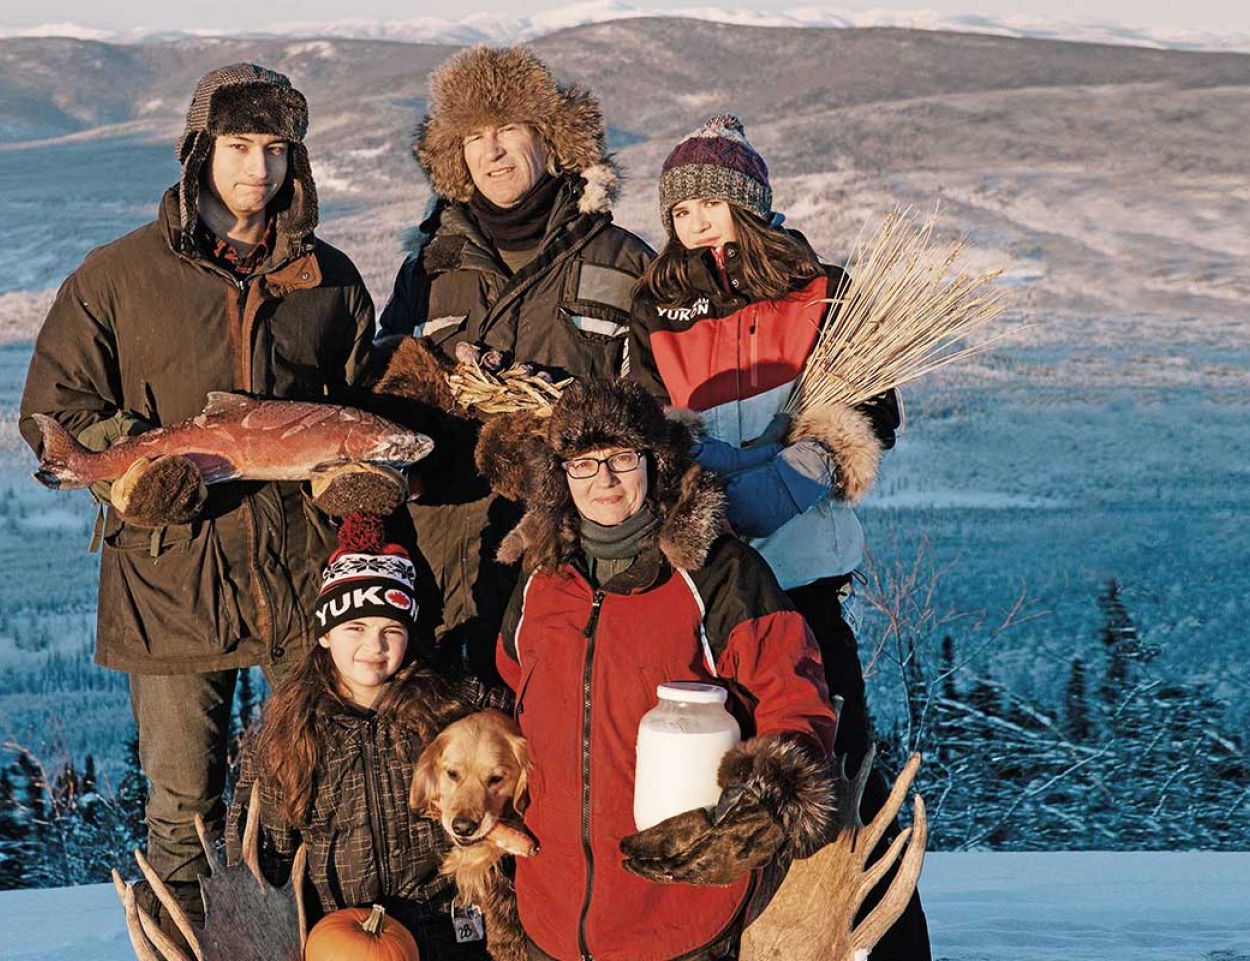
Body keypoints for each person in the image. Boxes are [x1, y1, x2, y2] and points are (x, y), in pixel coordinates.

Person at [17, 64, 374, 928]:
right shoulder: (118, 277)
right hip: (168, 578)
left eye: (276, 151)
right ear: (199, 151)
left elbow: (362, 407)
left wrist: (358, 482)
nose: (259, 169)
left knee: (304, 798)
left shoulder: (329, 280)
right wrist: (138, 476)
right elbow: (52, 412)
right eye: (241, 147)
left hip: (298, 580)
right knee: (181, 817)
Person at [627, 115, 929, 959]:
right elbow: (645, 422)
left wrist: (804, 463)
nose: (695, 223)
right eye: (681, 210)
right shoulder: (657, 306)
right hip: (713, 593)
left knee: (841, 784)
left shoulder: (818, 288)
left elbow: (875, 410)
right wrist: (705, 470)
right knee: (713, 791)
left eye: (712, 203)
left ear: (749, 203)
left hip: (802, 582)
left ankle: (883, 941)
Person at [495, 378, 839, 961]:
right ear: (562, 475)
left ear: (653, 463)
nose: (602, 479)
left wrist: (753, 813)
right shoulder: (540, 579)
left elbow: (795, 700)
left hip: (678, 917)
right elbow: (508, 691)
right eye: (583, 463)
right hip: (547, 915)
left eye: (620, 459)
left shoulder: (718, 573)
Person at [373, 45, 654, 681]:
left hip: (571, 556)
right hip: (448, 556)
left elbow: (655, 408)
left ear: (550, 138)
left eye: (508, 130)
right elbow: (387, 397)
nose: (492, 152)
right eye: (473, 137)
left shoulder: (622, 261)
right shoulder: (430, 266)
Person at [229, 514, 507, 961]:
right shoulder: (290, 735)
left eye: (390, 631)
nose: (373, 647)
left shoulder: (451, 707)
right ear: (325, 634)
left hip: (449, 931)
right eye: (355, 628)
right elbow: (263, 860)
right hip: (339, 935)